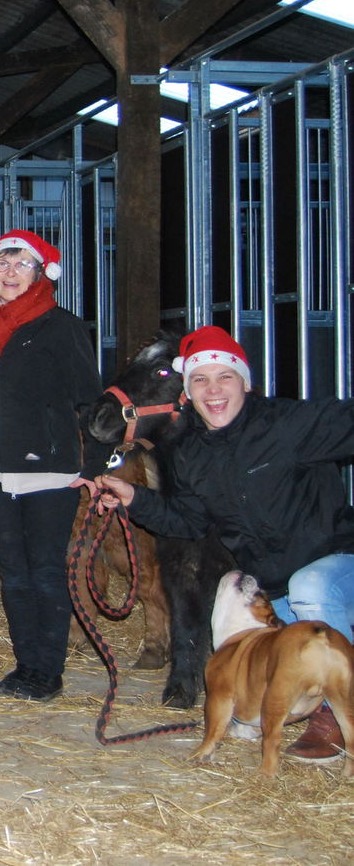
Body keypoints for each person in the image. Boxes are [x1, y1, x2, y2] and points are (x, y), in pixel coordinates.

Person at [98, 325, 354, 761]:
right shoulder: (194, 453)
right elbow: (189, 521)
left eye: (224, 377)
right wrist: (135, 499)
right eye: (201, 380)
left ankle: (336, 709)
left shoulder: (289, 424)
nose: (213, 391)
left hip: (334, 570)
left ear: (245, 382)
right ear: (187, 393)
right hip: (276, 589)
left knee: (311, 588)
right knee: (236, 598)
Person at [0, 230, 107, 702]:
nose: (10, 273)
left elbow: (92, 398)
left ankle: (48, 671)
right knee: (14, 574)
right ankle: (25, 665)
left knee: (45, 571)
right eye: (2, 264)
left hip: (50, 468)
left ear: (41, 273)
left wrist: (98, 463)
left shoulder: (62, 325)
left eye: (21, 264)